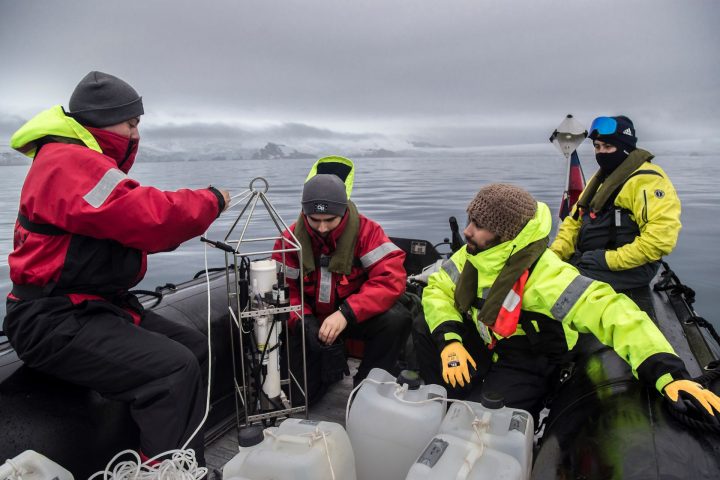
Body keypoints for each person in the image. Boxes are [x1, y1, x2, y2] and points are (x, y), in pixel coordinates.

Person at [3, 71, 231, 465]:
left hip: (93, 309)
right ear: (102, 119)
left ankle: (173, 460)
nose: (136, 134)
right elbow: (152, 217)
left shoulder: (81, 163)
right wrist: (212, 200)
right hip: (53, 320)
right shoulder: (67, 163)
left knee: (193, 348)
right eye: (131, 123)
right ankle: (163, 473)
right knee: (172, 370)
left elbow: (132, 229)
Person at [413, 183, 719, 423]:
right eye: (470, 220)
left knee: (485, 420)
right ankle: (450, 397)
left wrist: (668, 374)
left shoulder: (547, 276)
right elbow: (438, 288)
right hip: (489, 339)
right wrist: (450, 342)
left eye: (478, 225)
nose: (467, 231)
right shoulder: (472, 254)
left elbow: (612, 311)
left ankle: (500, 414)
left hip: (530, 357)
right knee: (422, 327)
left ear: (507, 235)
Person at [272, 157, 411, 405]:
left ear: (344, 210)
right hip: (311, 320)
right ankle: (326, 369)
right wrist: (304, 323)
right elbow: (285, 290)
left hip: (352, 317)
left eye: (330, 220)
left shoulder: (368, 232)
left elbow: (391, 279)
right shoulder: (289, 240)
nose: (322, 228)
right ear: (304, 213)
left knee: (396, 319)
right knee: (300, 398)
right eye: (314, 220)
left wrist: (346, 313)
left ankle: (368, 388)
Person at [550, 115, 681, 291]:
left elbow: (659, 241)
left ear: (625, 148)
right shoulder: (601, 180)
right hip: (590, 259)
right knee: (544, 273)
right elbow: (573, 222)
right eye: (597, 146)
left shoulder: (649, 182)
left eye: (608, 146)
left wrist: (607, 259)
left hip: (630, 268)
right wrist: (554, 255)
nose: (601, 152)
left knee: (557, 286)